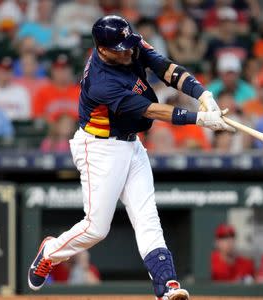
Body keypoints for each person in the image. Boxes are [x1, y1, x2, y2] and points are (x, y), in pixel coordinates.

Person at [27, 15, 234, 300]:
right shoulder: (101, 81)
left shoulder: (130, 44)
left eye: (128, 45)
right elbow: (151, 110)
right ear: (102, 49)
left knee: (147, 217)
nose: (127, 51)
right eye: (120, 48)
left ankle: (166, 285)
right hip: (99, 149)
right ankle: (50, 251)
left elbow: (166, 69)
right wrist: (201, 119)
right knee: (96, 228)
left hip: (131, 144)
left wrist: (202, 94)